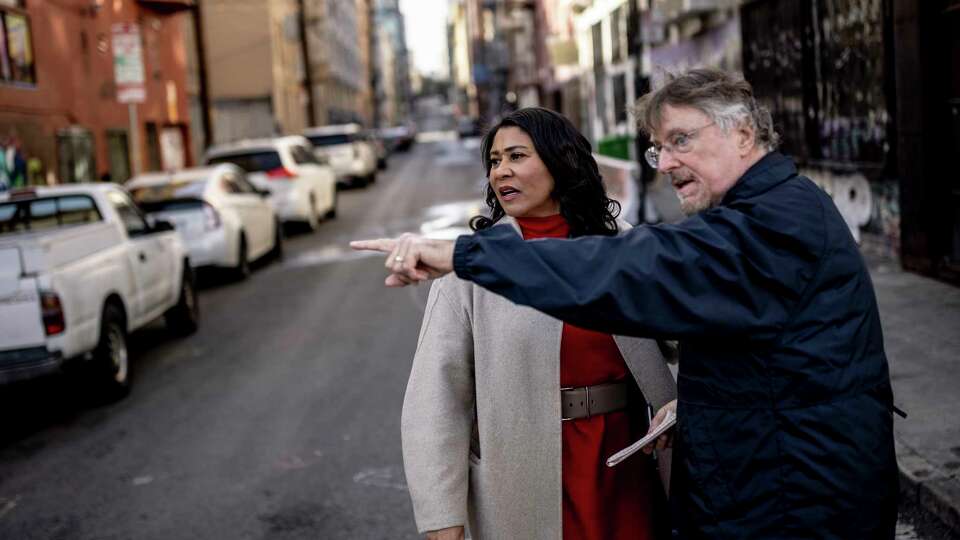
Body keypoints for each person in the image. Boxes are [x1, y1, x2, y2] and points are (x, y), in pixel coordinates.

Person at [353, 69, 899, 539]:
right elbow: (436, 400)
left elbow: (633, 273)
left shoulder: (764, 224)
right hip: (543, 473)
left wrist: (465, 254)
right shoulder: (757, 216)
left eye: (682, 140)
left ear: (745, 133)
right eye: (661, 147)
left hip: (743, 493)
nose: (665, 162)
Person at [402, 108, 676, 540]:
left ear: (559, 161)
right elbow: (437, 398)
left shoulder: (621, 245)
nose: (501, 171)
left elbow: (691, 340)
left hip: (625, 460)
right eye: (494, 161)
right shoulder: (473, 265)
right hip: (523, 471)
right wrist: (442, 517)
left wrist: (684, 402)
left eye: (516, 156)